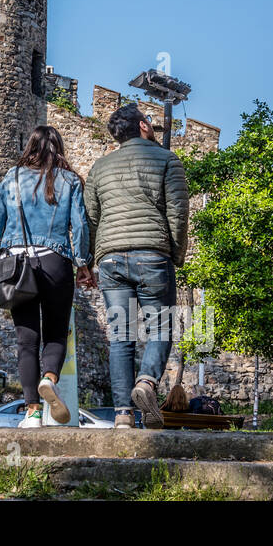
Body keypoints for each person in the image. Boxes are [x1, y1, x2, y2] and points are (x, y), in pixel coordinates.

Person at [84, 103, 189, 429]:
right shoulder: (168, 160)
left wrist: (89, 261)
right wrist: (176, 254)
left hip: (112, 261)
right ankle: (146, 383)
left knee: (121, 337)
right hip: (152, 256)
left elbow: (90, 218)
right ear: (143, 126)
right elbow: (178, 213)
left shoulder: (100, 168)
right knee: (160, 328)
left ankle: (122, 415)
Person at [0, 124, 93, 429]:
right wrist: (83, 262)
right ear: (58, 148)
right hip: (55, 262)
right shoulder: (70, 180)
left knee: (26, 340)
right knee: (57, 332)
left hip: (18, 266)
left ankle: (32, 412)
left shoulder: (12, 177)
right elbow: (80, 226)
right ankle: (50, 378)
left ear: (29, 146)